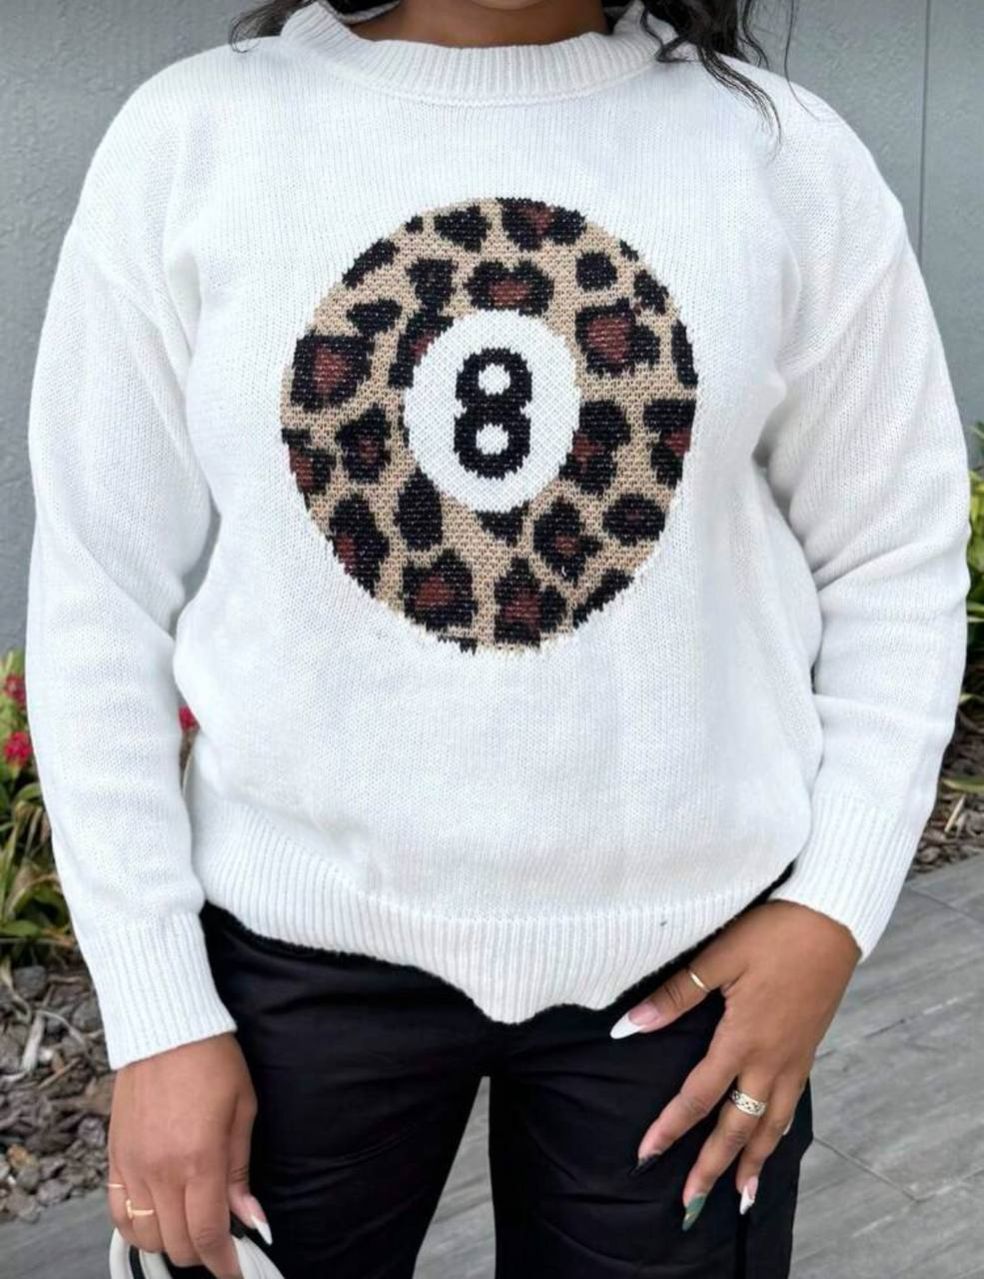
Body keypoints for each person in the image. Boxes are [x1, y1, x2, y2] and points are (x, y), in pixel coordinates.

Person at [23, 2, 971, 1276]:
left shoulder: (783, 157)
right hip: (281, 973)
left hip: (687, 972)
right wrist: (156, 1013)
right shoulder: (194, 139)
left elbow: (895, 554)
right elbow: (97, 597)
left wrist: (831, 911)